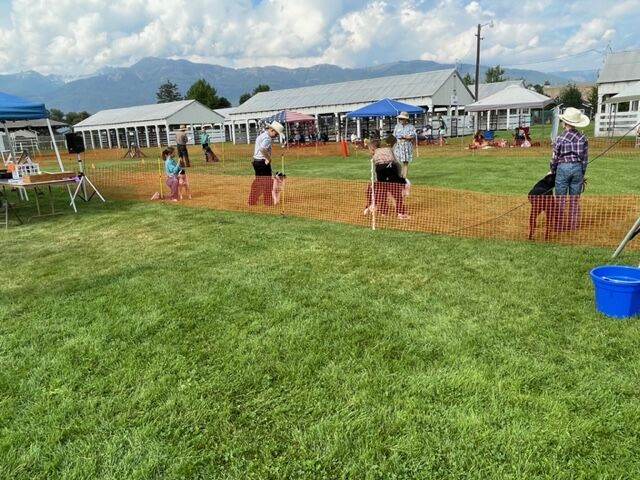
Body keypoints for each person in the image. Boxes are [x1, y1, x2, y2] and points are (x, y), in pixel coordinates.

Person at [549, 107, 589, 231]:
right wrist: (582, 173)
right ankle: (573, 225)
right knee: (574, 199)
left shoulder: (559, 139)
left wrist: (552, 170)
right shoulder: (583, 138)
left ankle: (559, 225)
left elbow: (554, 158)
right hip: (577, 168)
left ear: (565, 123)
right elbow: (585, 159)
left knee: (560, 199)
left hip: (562, 168)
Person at [363, 138, 409, 219]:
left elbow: (375, 168)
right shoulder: (389, 149)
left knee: (382, 189)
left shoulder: (375, 154)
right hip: (391, 166)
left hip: (380, 167)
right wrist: (399, 175)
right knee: (395, 190)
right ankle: (400, 213)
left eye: (370, 150)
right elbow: (396, 162)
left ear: (373, 148)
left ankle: (383, 212)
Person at [249, 121, 285, 205]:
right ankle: (268, 202)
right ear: (272, 130)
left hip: (256, 161)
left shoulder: (262, 135)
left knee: (259, 181)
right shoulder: (267, 138)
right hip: (262, 162)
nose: (276, 136)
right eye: (276, 134)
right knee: (267, 183)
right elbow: (262, 149)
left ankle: (252, 200)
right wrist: (268, 158)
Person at [393, 111, 417, 178]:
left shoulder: (411, 127)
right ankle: (400, 175)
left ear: (406, 119)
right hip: (398, 146)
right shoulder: (397, 126)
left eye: (402, 119)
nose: (400, 120)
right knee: (397, 162)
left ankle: (404, 177)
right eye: (399, 118)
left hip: (406, 146)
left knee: (405, 162)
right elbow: (394, 135)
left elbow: (413, 135)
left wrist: (406, 137)